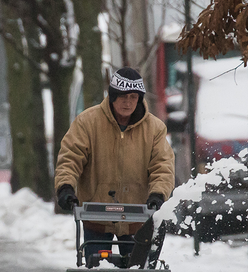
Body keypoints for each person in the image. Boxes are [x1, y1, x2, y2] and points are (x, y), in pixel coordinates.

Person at [54, 67, 175, 258]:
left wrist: (158, 194)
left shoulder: (155, 129)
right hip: (96, 218)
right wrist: (65, 187)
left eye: (133, 97)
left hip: (138, 218)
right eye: (123, 97)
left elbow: (163, 167)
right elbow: (70, 158)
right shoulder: (87, 122)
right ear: (112, 96)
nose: (128, 102)